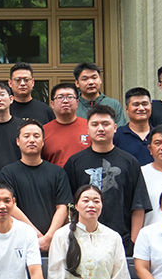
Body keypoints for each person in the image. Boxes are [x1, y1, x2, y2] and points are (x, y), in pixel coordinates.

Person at [64, 105, 150, 256]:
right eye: (95, 124)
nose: (100, 129)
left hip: (122, 241)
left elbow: (138, 205)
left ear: (115, 127)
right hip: (83, 240)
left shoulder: (129, 162)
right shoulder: (75, 163)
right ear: (87, 129)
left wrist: (134, 242)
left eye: (106, 124)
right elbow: (67, 205)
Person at [0, 119, 73, 256]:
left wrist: (49, 237)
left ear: (43, 142)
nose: (31, 140)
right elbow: (10, 206)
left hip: (54, 244)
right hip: (18, 243)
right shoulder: (7, 173)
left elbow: (62, 207)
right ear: (18, 141)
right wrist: (37, 236)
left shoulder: (57, 172)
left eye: (36, 136)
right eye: (26, 136)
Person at [43, 82, 91, 168]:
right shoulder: (43, 131)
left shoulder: (90, 127)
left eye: (70, 97)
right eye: (60, 97)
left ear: (77, 102)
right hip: (55, 176)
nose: (65, 101)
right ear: (52, 104)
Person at [113, 87, 154, 166]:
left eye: (145, 104)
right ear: (127, 109)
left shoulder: (159, 135)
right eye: (136, 105)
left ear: (151, 106)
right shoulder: (117, 136)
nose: (141, 108)